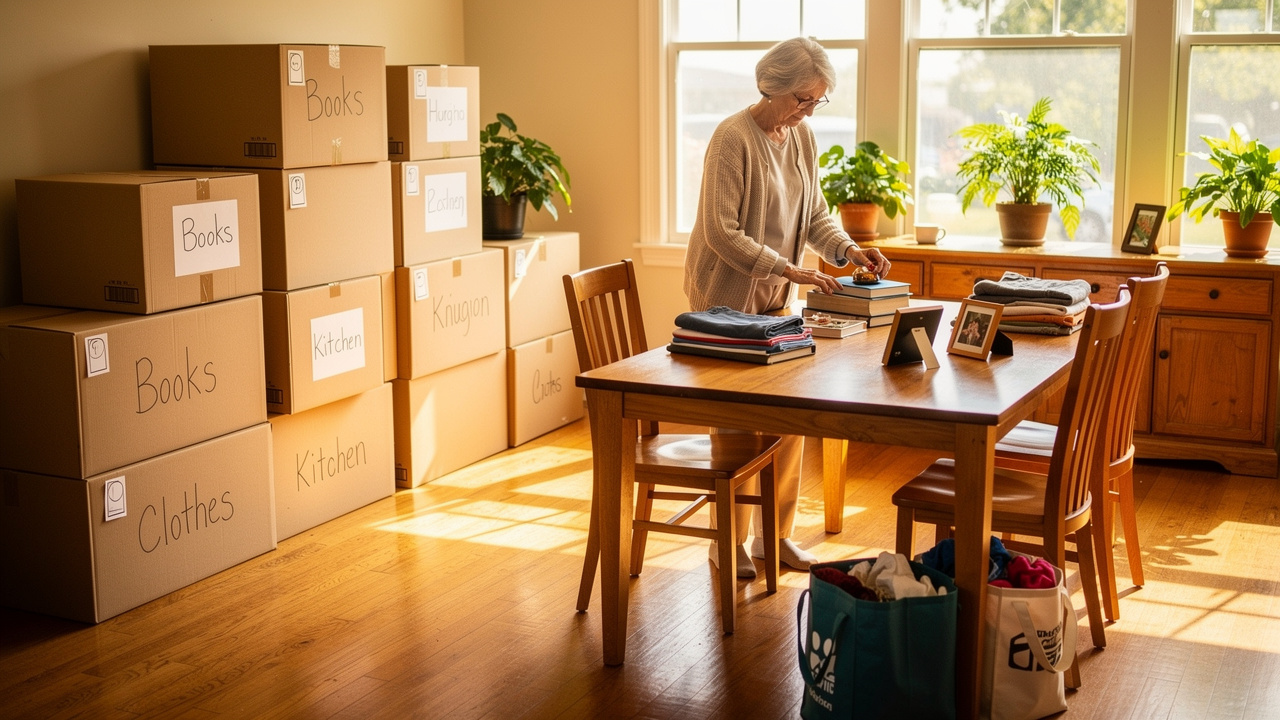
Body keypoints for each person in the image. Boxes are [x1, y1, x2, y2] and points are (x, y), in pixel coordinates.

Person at [682, 37, 891, 578]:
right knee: (735, 427)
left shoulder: (802, 137)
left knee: (788, 419)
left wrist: (849, 250)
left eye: (817, 101)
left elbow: (814, 215)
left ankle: (773, 537)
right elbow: (721, 232)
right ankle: (726, 541)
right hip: (725, 301)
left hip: (777, 301)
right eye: (802, 99)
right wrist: (789, 269)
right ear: (771, 85)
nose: (808, 111)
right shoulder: (731, 139)